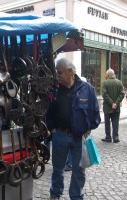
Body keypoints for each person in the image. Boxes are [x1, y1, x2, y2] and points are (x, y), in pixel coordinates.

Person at [46, 58, 101, 200]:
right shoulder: (55, 89)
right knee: (57, 169)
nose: (58, 76)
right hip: (60, 135)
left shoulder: (87, 89)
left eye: (60, 73)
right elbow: (48, 111)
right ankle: (55, 193)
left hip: (79, 137)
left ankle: (76, 196)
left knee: (79, 170)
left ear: (70, 72)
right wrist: (51, 128)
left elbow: (95, 113)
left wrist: (89, 127)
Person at [101, 68, 125, 143]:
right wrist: (116, 103)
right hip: (116, 107)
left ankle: (108, 137)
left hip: (107, 107)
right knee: (115, 122)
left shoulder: (105, 83)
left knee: (107, 123)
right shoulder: (119, 82)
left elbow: (104, 95)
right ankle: (115, 137)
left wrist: (112, 103)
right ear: (113, 74)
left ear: (108, 75)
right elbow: (122, 94)